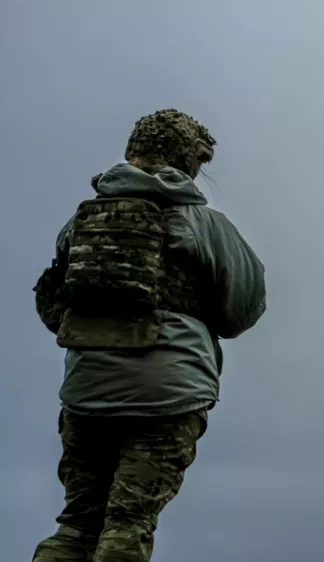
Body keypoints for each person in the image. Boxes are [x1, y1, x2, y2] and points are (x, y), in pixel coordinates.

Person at [31, 108, 267, 562]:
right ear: (190, 161)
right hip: (169, 395)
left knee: (77, 524)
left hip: (85, 391)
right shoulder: (207, 226)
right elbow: (243, 311)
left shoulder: (81, 221)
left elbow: (54, 304)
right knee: (128, 523)